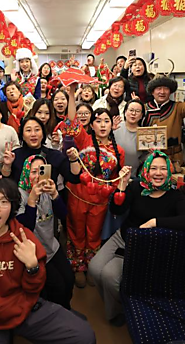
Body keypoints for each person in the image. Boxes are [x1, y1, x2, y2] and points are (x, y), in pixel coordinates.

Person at [0, 178, 95, 344]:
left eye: (4, 202)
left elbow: (34, 287)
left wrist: (32, 267)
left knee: (84, 336)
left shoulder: (24, 237)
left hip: (25, 312)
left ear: (12, 207)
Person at [88, 151, 185, 326]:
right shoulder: (136, 187)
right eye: (153, 168)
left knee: (109, 276)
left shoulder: (175, 195)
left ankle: (116, 311)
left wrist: (155, 222)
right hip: (122, 237)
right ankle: (116, 301)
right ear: (146, 170)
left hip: (143, 246)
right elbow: (117, 210)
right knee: (94, 268)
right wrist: (122, 185)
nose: (158, 173)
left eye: (163, 169)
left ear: (169, 171)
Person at [61, 82, 125, 288]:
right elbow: (72, 120)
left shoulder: (119, 151)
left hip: (100, 200)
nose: (103, 125)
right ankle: (77, 266)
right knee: (76, 231)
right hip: (78, 196)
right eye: (98, 121)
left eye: (107, 121)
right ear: (92, 124)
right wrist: (72, 92)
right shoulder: (84, 140)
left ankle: (91, 265)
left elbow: (115, 178)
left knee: (94, 234)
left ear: (112, 125)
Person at [16, 156, 74, 309]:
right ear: (26, 173)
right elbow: (25, 228)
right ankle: (59, 313)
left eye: (41, 171)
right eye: (33, 172)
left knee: (69, 279)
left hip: (52, 246)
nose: (37, 176)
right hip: (35, 253)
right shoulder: (19, 195)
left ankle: (66, 311)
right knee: (57, 288)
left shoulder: (47, 189)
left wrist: (55, 195)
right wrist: (32, 201)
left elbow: (63, 214)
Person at [1, 116, 81, 185]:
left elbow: (74, 178)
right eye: (28, 130)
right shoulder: (15, 155)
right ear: (22, 136)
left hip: (48, 197)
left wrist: (73, 160)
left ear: (43, 134)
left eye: (37, 130)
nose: (33, 134)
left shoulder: (54, 155)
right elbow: (5, 182)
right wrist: (7, 165)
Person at [113, 99, 145, 175]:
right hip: (112, 175)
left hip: (132, 175)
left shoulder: (144, 134)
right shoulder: (115, 128)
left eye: (137, 111)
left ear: (141, 115)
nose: (133, 113)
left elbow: (144, 157)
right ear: (125, 112)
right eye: (131, 110)